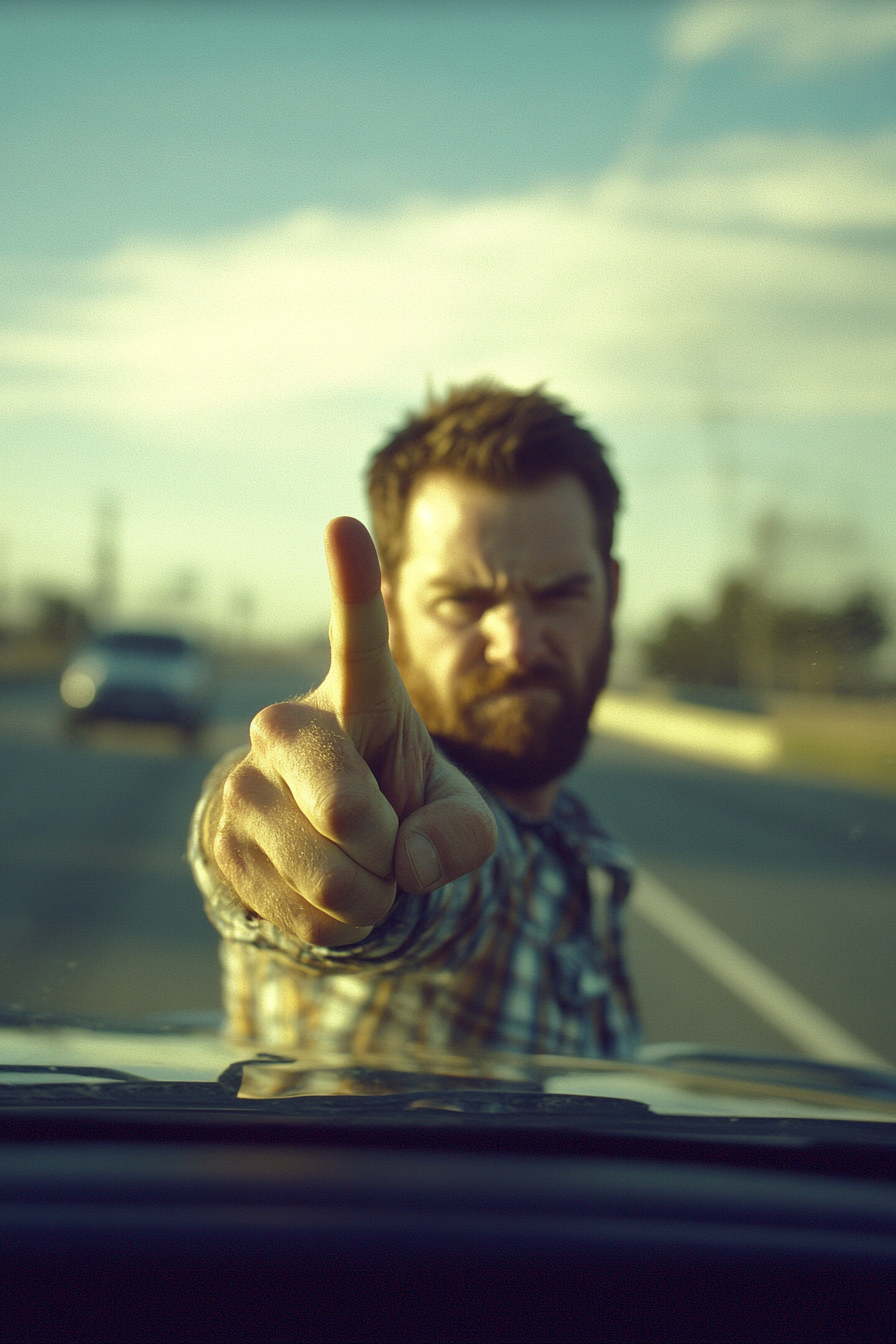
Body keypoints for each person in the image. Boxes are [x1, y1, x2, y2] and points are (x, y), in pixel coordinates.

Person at [189, 381, 641, 1059]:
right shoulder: (399, 806)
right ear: (390, 609)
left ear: (612, 593)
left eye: (560, 594)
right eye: (462, 601)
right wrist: (298, 826)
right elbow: (438, 889)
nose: (516, 643)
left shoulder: (582, 847)